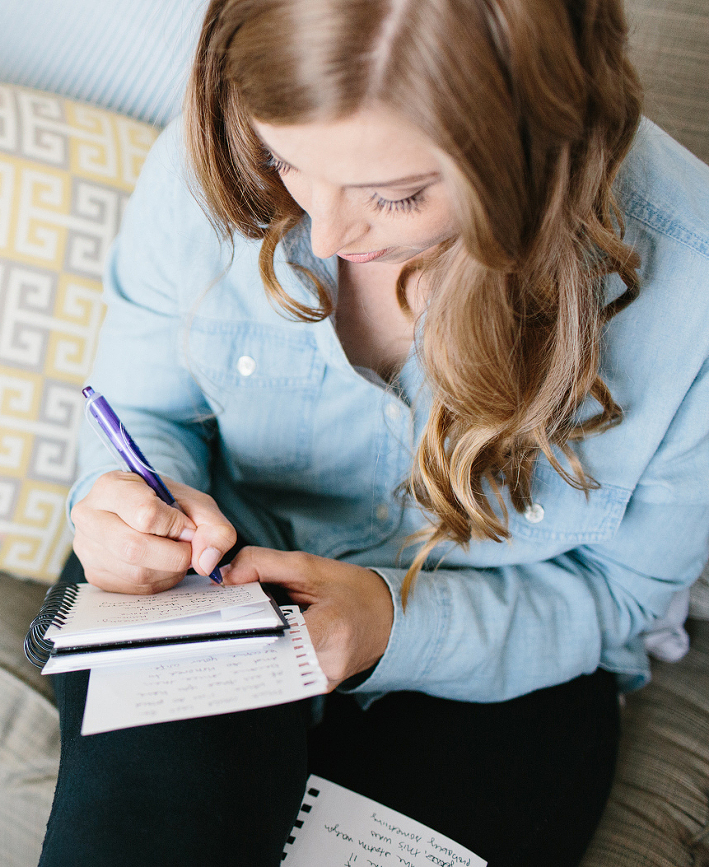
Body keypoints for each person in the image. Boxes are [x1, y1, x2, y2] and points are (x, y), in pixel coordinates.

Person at [37, 0, 709, 865]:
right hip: (218, 577)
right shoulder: (207, 164)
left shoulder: (689, 288)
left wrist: (390, 623)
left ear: (536, 147)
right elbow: (143, 414)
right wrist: (131, 502)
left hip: (499, 648)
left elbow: (619, 596)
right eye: (287, 161)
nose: (326, 232)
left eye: (393, 195)